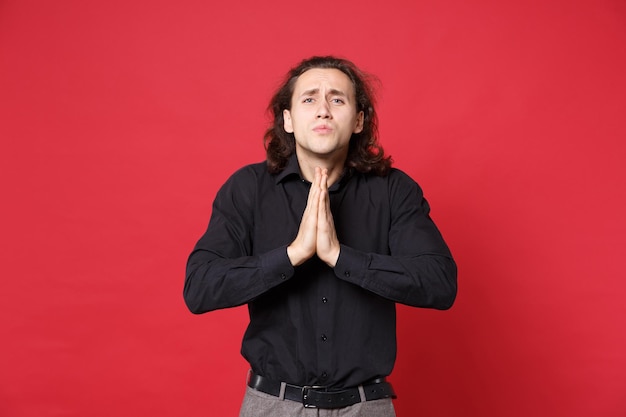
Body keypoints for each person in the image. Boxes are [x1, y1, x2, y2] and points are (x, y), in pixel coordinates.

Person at [184, 56, 457, 416]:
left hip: (366, 407)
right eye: (309, 99)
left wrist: (341, 257)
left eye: (338, 99)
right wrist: (292, 255)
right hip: (272, 406)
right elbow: (199, 288)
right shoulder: (247, 189)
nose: (324, 110)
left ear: (359, 120)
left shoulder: (394, 191)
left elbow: (440, 283)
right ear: (288, 119)